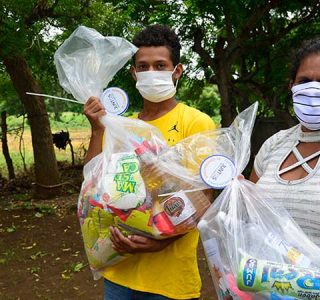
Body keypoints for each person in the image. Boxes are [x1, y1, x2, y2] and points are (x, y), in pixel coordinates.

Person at [83, 24, 217, 300]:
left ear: (176, 71)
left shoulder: (196, 123)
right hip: (118, 271)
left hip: (169, 280)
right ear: (133, 73)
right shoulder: (122, 127)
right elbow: (92, 184)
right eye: (143, 67)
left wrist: (160, 242)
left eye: (160, 65)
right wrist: (97, 129)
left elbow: (203, 197)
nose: (150, 73)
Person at [250, 37, 320, 248]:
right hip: (262, 279)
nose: (314, 90)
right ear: (292, 87)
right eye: (305, 81)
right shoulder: (274, 144)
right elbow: (247, 218)